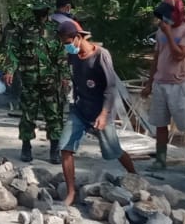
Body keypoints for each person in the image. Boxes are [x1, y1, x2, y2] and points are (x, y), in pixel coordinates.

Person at [56, 20, 139, 205]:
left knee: (113, 150)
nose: (66, 47)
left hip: (100, 110)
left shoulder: (101, 56)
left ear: (77, 38)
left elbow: (110, 88)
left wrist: (103, 115)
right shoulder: (74, 56)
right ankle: (71, 192)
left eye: (67, 42)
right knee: (65, 148)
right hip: (79, 109)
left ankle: (135, 177)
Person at [5, 0, 66, 164]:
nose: (38, 11)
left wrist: (65, 76)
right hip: (29, 79)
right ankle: (26, 146)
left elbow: (61, 54)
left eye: (41, 8)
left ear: (47, 8)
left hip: (51, 80)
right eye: (36, 8)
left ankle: (55, 149)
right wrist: (9, 69)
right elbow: (13, 50)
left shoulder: (55, 29)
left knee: (54, 114)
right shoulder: (23, 28)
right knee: (27, 114)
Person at [144, 0, 185, 174]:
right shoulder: (160, 31)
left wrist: (168, 33)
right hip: (160, 83)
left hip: (178, 84)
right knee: (160, 124)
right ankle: (161, 160)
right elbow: (156, 58)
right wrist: (149, 82)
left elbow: (179, 55)